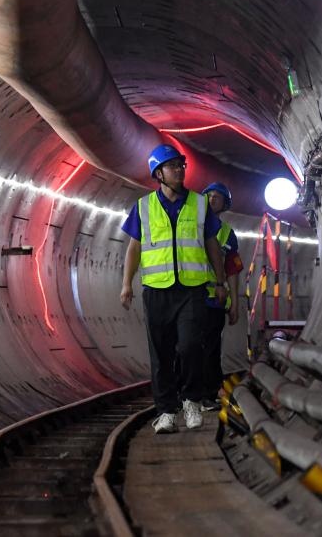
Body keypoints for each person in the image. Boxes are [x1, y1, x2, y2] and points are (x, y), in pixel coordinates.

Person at [120, 144, 228, 434]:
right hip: (156, 290)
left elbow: (212, 245)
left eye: (181, 165)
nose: (180, 170)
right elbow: (134, 247)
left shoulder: (199, 204)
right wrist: (126, 283)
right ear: (159, 173)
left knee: (191, 346)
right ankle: (167, 410)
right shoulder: (143, 207)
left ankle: (191, 400)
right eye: (173, 166)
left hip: (192, 289)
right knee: (161, 353)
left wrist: (220, 282)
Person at [199, 182, 243, 411]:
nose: (212, 199)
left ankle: (207, 394)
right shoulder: (191, 225)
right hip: (191, 296)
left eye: (218, 197)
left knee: (211, 348)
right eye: (209, 195)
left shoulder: (227, 233)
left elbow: (233, 270)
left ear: (225, 204)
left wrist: (235, 302)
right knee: (187, 347)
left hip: (215, 300)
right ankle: (189, 394)